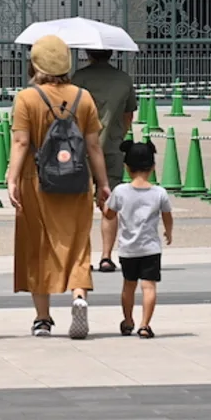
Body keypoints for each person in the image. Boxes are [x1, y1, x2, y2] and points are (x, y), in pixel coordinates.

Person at [8, 34, 111, 339]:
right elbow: (93, 146)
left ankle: (42, 318)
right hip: (77, 181)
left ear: (35, 63)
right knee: (78, 244)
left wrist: (12, 179)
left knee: (39, 245)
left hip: (37, 182)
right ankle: (79, 294)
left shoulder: (27, 98)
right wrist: (102, 183)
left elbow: (21, 141)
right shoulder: (84, 97)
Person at [72, 48, 138, 272]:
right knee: (109, 204)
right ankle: (107, 256)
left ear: (88, 53)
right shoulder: (123, 79)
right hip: (111, 147)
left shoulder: (78, 79)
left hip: (80, 148)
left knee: (80, 206)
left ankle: (83, 256)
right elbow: (129, 114)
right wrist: (118, 133)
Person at [104, 138, 173, 338]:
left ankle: (128, 321)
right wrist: (169, 232)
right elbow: (167, 216)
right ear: (152, 167)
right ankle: (145, 324)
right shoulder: (159, 193)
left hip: (128, 249)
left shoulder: (120, 191)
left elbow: (109, 215)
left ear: (127, 167)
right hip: (151, 248)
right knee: (149, 286)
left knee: (128, 285)